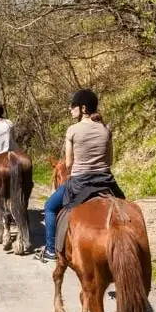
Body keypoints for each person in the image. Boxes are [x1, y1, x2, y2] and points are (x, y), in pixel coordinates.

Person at [41, 89, 125, 261]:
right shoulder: (106, 130)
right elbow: (110, 160)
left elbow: (69, 163)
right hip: (106, 181)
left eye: (74, 106)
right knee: (124, 209)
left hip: (80, 183)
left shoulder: (73, 130)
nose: (70, 109)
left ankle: (50, 250)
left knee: (49, 206)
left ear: (84, 108)